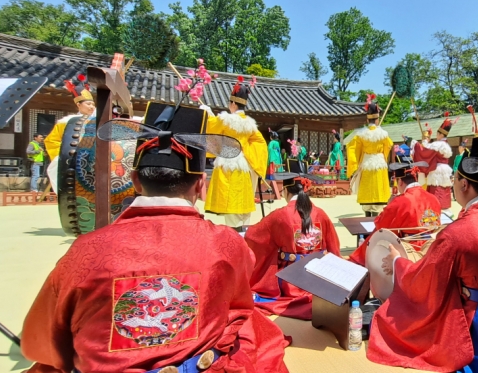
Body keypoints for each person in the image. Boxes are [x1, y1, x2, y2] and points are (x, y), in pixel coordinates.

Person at [21, 106, 289, 373]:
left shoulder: (85, 251)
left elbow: (40, 342)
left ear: (135, 180)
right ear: (200, 184)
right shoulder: (228, 244)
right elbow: (240, 308)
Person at [367, 135, 478, 372]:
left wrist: (398, 261)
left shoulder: (459, 232)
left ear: (464, 185)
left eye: (454, 180)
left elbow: (425, 279)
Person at [246, 172, 340, 320]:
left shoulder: (280, 215)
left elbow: (254, 236)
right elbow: (334, 247)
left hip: (291, 281)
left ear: (286, 191)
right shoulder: (321, 214)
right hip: (319, 280)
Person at [203, 76, 267, 230]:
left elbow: (211, 129)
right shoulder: (250, 125)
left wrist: (207, 113)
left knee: (231, 209)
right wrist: (249, 155)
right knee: (243, 209)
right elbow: (261, 144)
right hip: (244, 168)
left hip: (228, 165)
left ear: (232, 103)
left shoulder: (225, 120)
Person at [348, 161, 441, 266]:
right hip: (431, 246)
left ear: (400, 182)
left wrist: (389, 205)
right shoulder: (434, 198)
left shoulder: (401, 200)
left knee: (375, 235)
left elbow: (380, 224)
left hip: (410, 249)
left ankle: (359, 261)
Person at [44, 77, 96, 192]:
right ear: (78, 105)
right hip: (73, 160)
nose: (92, 107)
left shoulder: (97, 121)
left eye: (93, 104)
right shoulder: (66, 122)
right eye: (88, 104)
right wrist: (65, 156)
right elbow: (51, 141)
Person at [347, 94, 393, 217]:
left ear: (367, 120)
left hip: (367, 162)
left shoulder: (361, 134)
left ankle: (367, 215)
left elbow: (351, 147)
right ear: (377, 119)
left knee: (367, 189)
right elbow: (389, 145)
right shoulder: (383, 133)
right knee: (378, 190)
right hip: (379, 163)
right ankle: (377, 216)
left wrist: (355, 164)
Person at [412, 112, 455, 210]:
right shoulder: (446, 145)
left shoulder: (438, 144)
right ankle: (444, 206)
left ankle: (435, 206)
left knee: (436, 189)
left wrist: (417, 145)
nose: (436, 135)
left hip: (437, 169)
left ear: (440, 134)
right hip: (445, 169)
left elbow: (426, 152)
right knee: (444, 189)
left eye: (437, 133)